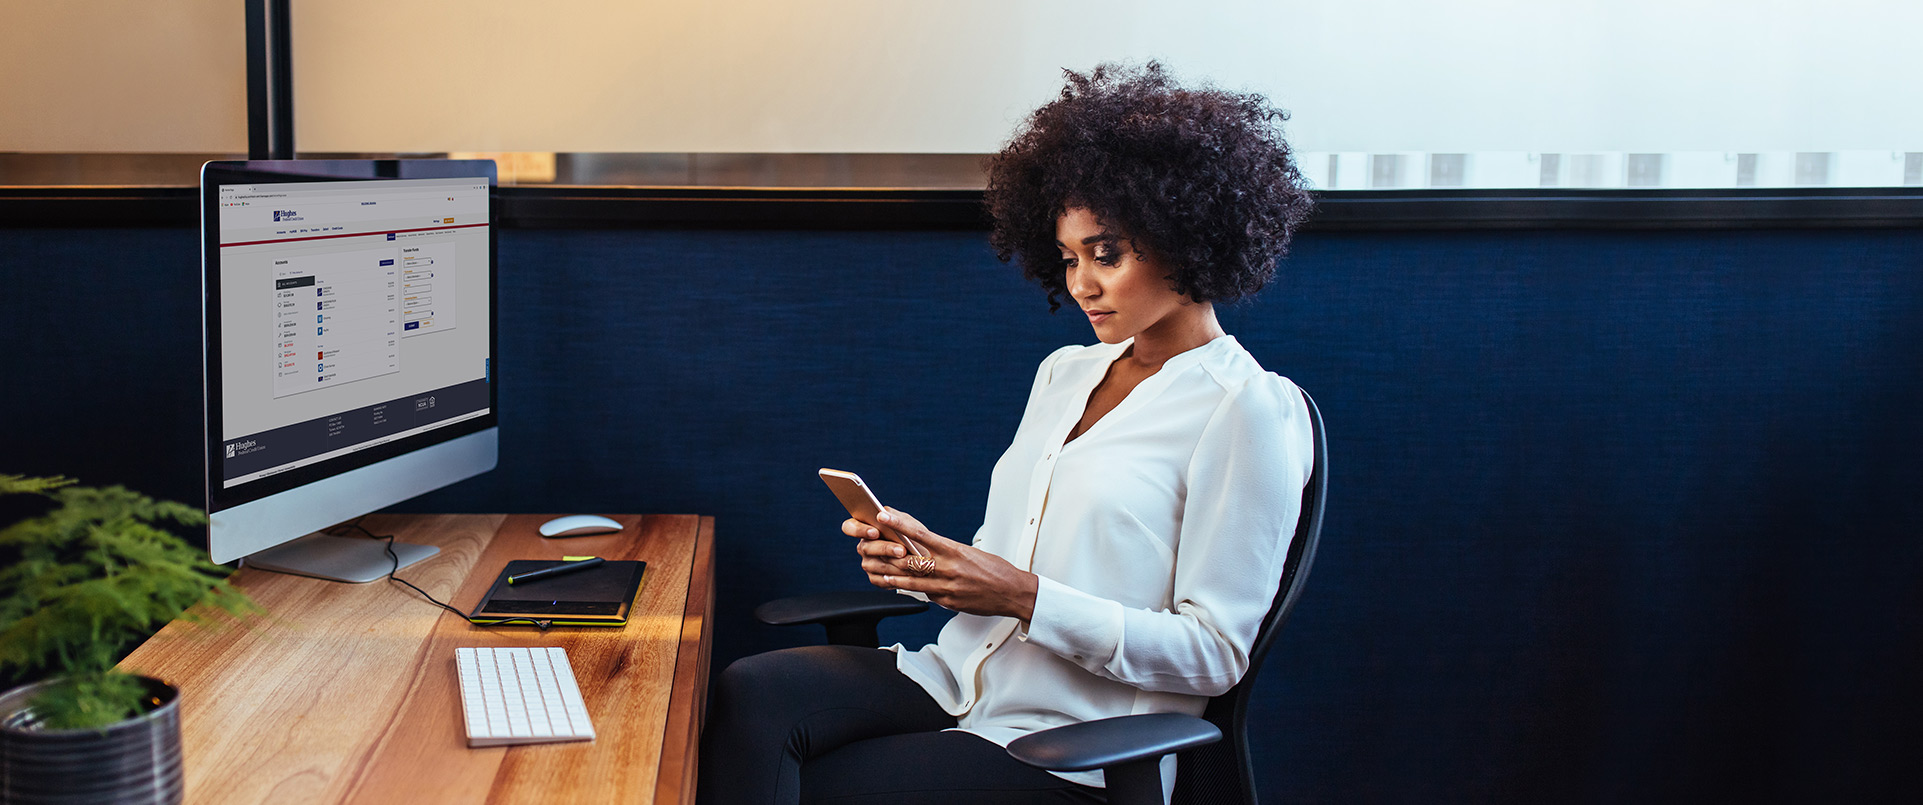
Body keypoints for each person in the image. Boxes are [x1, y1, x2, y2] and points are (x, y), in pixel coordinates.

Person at [698, 62, 1317, 805]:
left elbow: (1213, 654)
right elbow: (1008, 557)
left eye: (1105, 253)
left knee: (829, 787)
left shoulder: (1246, 409)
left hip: (1072, 739)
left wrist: (1024, 596)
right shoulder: (1064, 373)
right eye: (1067, 258)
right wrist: (934, 562)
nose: (1081, 283)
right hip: (958, 678)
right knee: (752, 690)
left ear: (1187, 236)